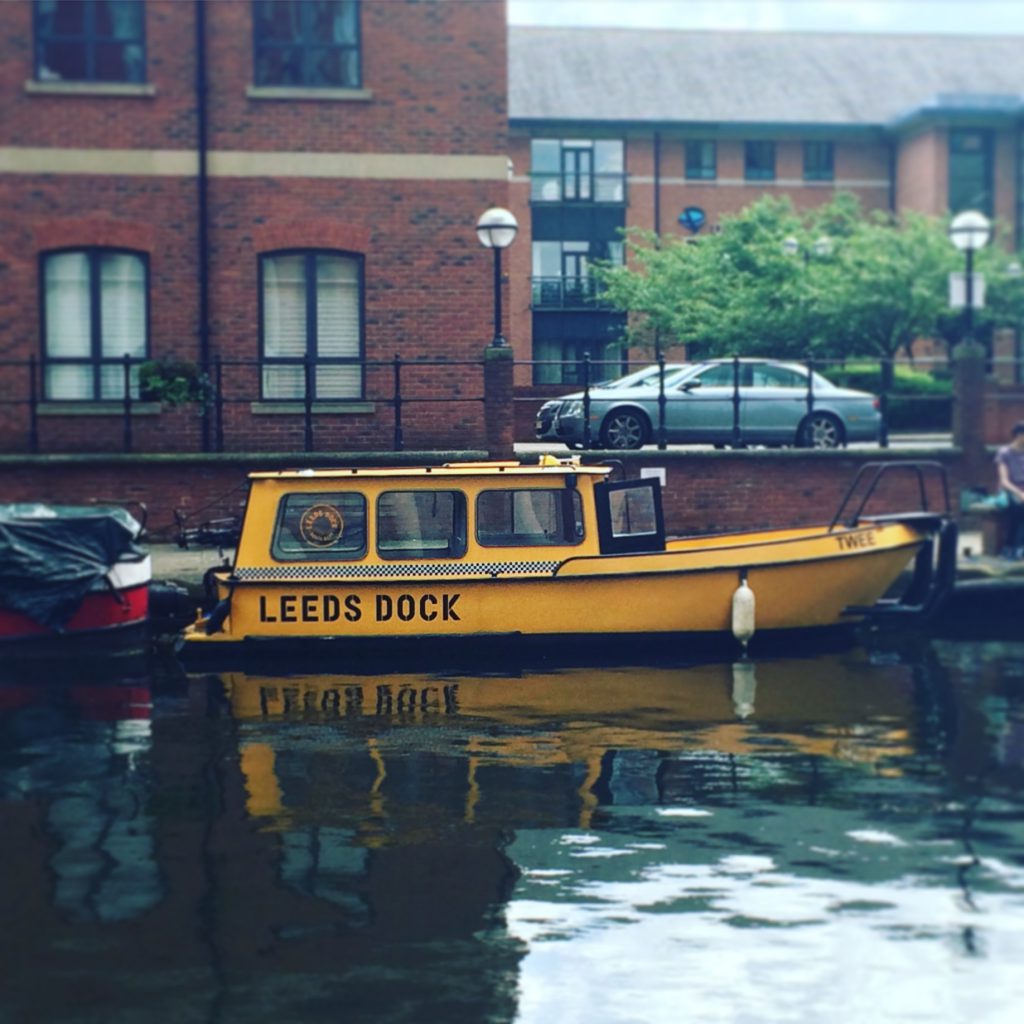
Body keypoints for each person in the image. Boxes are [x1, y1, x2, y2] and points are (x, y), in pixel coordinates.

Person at [995, 421, 1024, 558]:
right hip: (1010, 489)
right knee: (1017, 507)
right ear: (1019, 435)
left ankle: (1019, 546)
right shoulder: (1005, 453)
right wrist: (1019, 493)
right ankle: (1010, 546)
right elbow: (1004, 481)